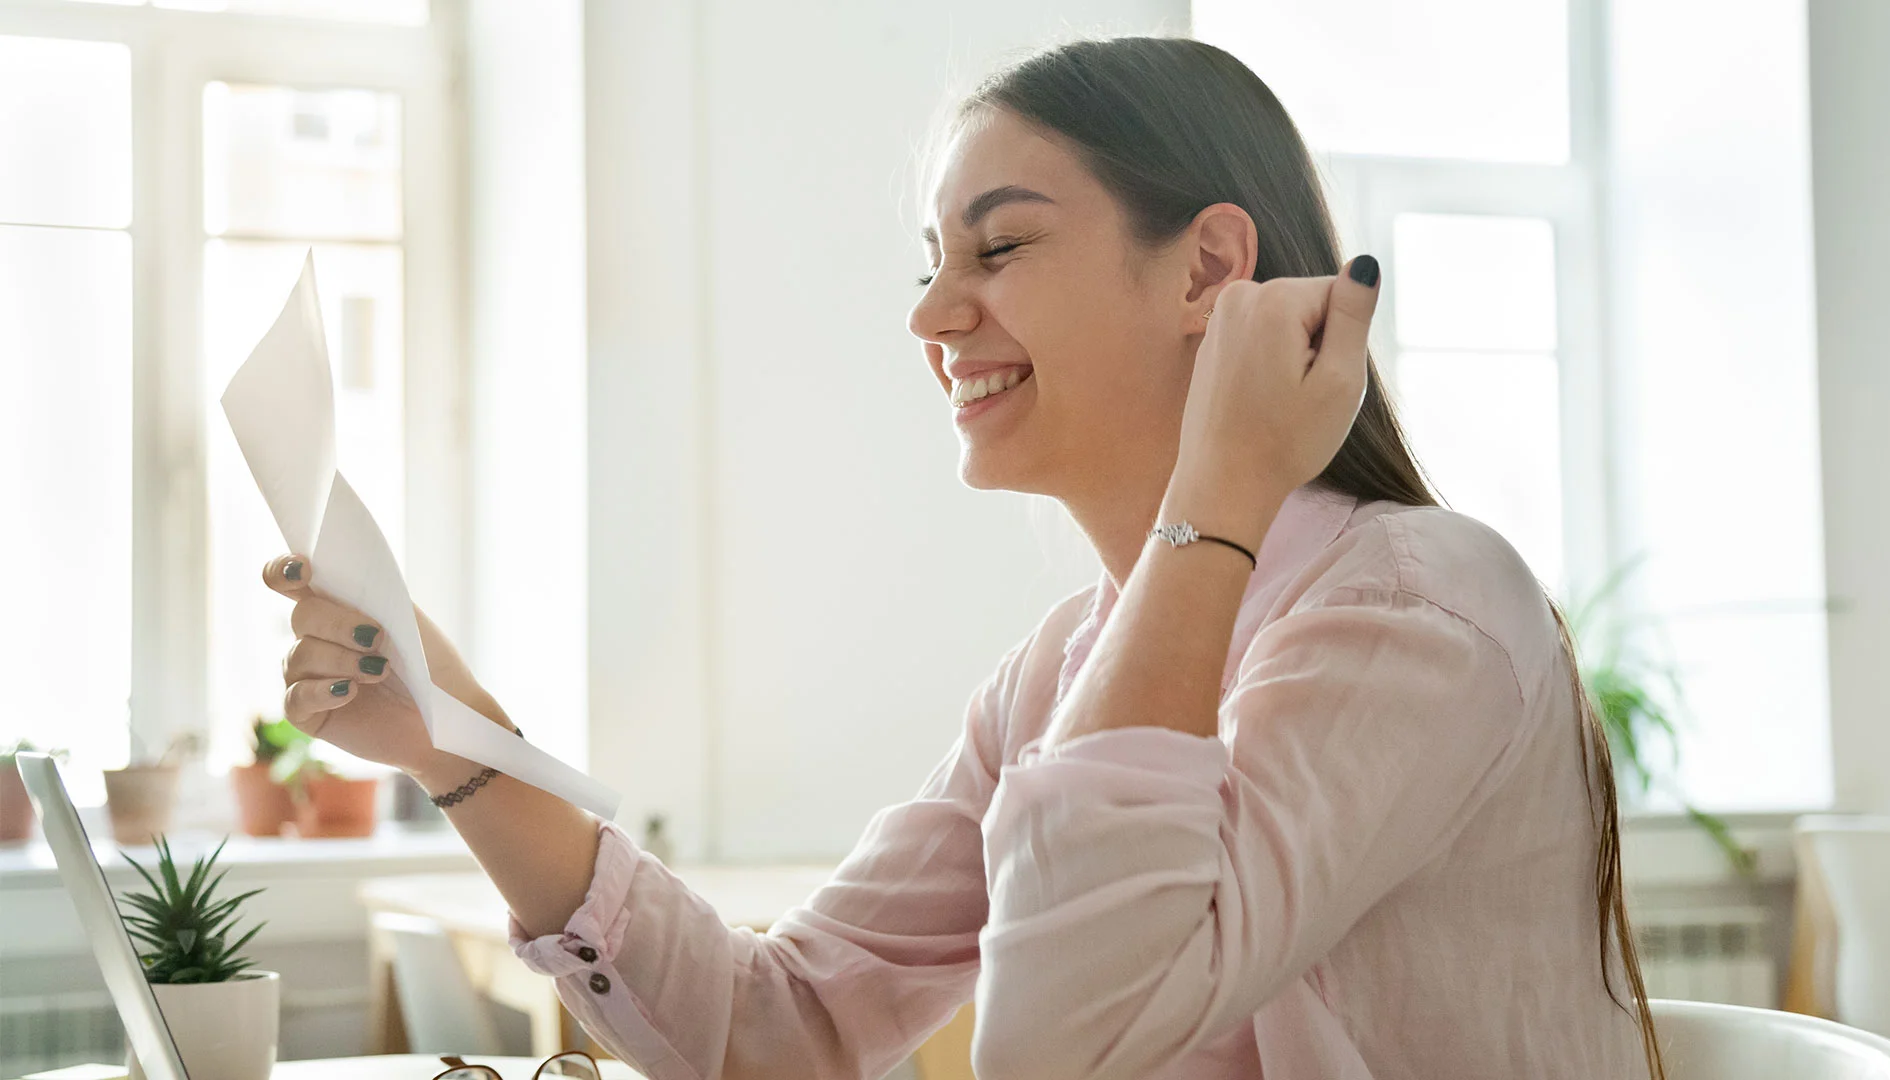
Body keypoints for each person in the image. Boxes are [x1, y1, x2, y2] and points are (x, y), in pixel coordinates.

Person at [261, 36, 1661, 1080]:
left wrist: (1227, 483)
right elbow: (780, 1027)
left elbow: (1063, 1041)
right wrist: (455, 739)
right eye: (929, 259)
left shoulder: (1417, 608)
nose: (933, 311)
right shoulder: (1062, 672)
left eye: (998, 247)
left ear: (1207, 272)